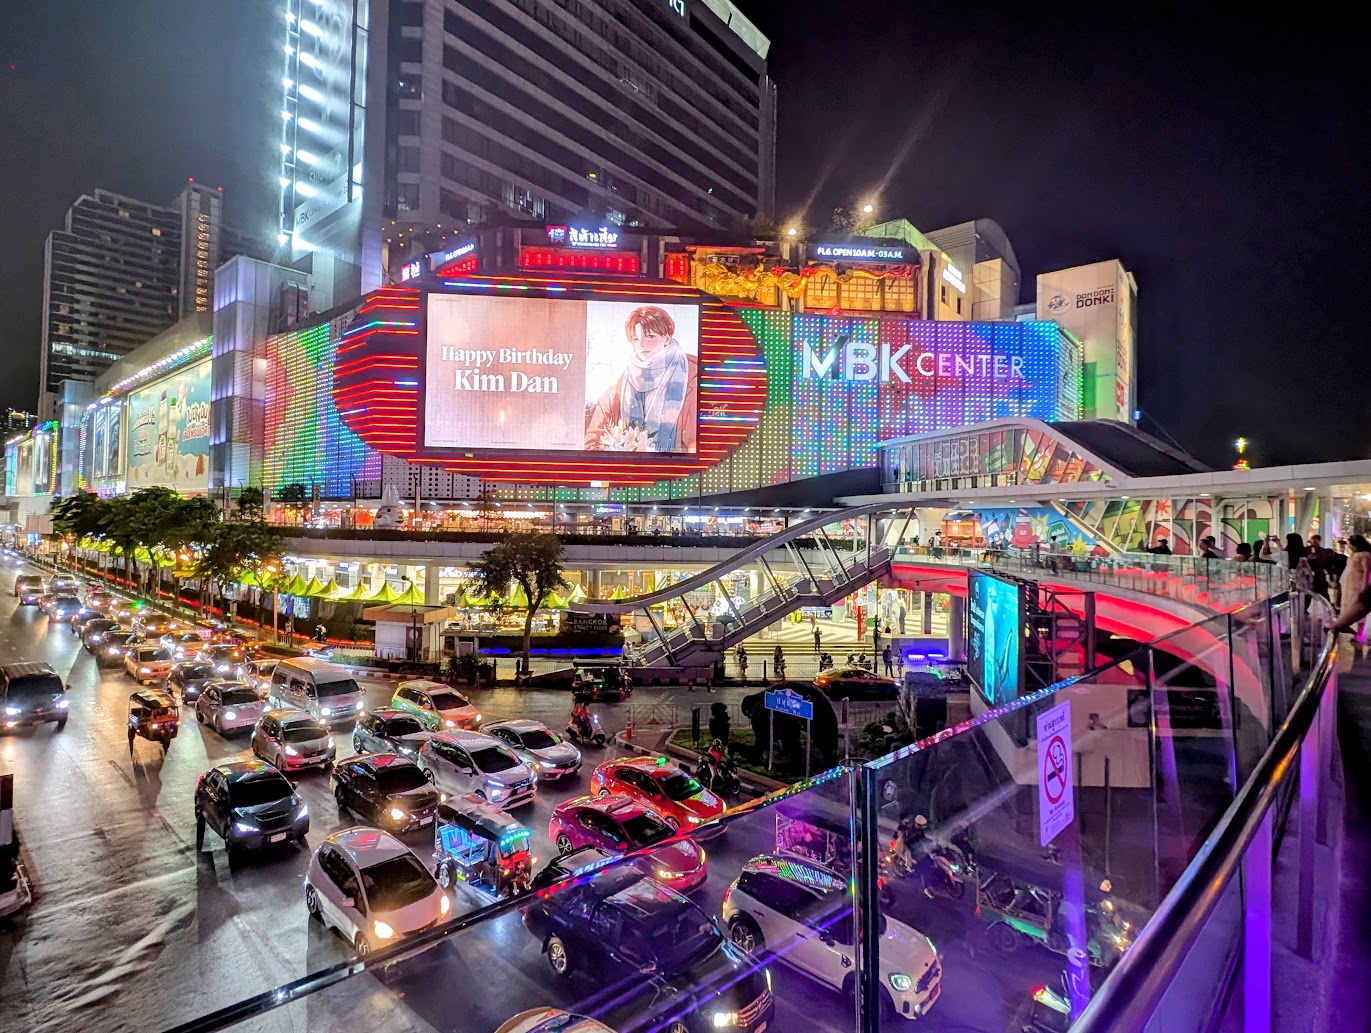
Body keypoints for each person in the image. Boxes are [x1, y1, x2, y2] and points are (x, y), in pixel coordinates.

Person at [584, 305, 699, 453]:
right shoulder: (619, 387)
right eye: (635, 338)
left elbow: (702, 445)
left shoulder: (693, 377)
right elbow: (592, 442)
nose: (642, 344)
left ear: (667, 337)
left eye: (650, 336)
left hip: (677, 474)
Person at [1338, 535, 1371, 627]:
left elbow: (1366, 571)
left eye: (1350, 544)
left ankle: (1360, 634)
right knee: (1349, 606)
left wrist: (1364, 587)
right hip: (1349, 585)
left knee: (1358, 607)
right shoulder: (1353, 555)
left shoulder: (1364, 555)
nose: (1348, 547)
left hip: (1358, 584)